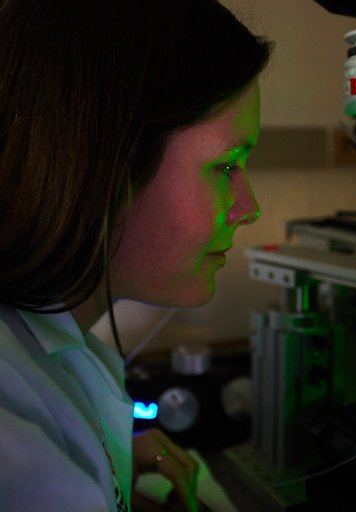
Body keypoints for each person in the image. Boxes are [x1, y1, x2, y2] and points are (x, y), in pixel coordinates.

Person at [0, 0, 272, 510]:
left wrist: (106, 463)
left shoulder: (54, 344)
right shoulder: (12, 432)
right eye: (225, 166)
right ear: (102, 164)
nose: (248, 208)